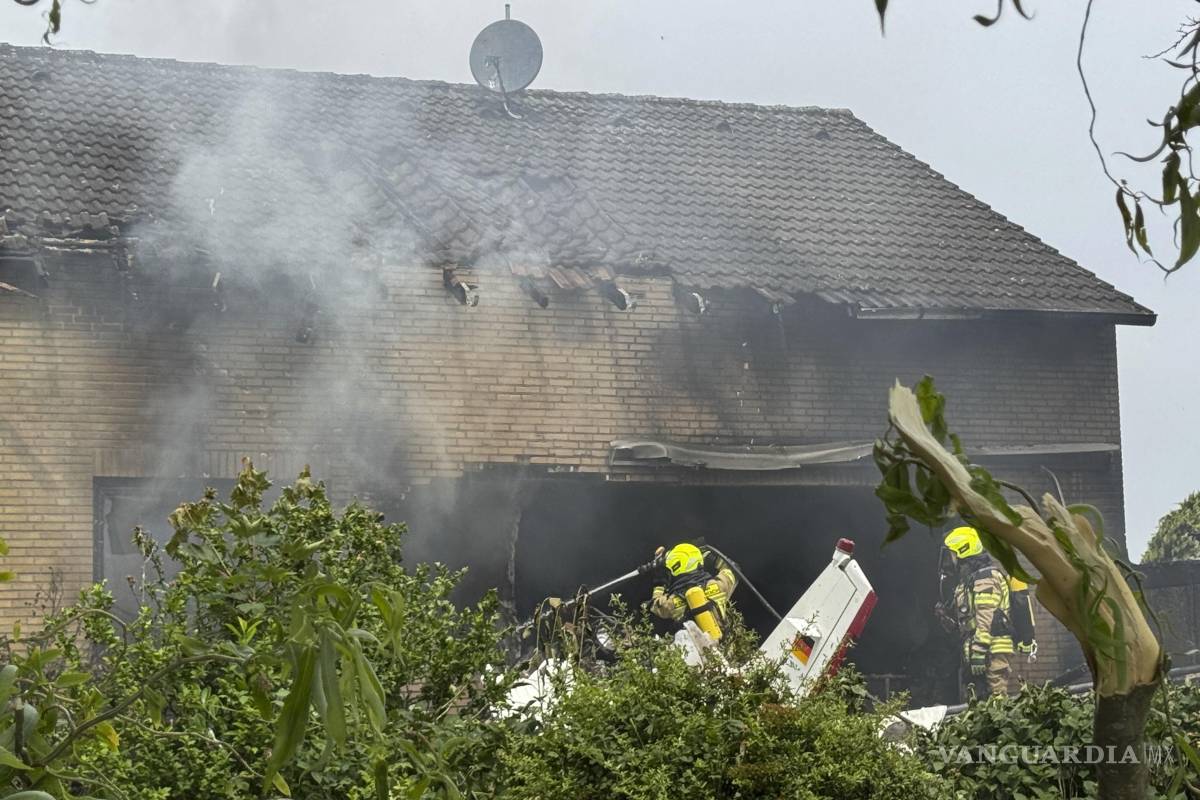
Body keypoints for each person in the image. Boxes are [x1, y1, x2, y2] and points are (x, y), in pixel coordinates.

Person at [941, 526, 1013, 698]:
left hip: (991, 652)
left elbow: (985, 618)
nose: (950, 559)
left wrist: (979, 652)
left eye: (952, 554)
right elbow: (968, 619)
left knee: (996, 702)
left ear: (963, 550)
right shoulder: (970, 580)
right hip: (979, 650)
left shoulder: (984, 579)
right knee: (978, 702)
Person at [649, 542, 737, 641]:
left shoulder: (671, 602)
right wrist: (713, 559)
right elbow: (733, 569)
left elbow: (655, 606)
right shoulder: (719, 585)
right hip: (725, 650)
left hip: (697, 653)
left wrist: (659, 582)